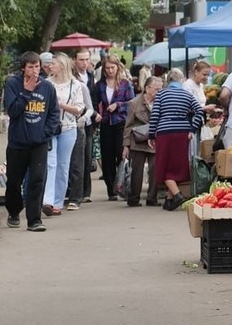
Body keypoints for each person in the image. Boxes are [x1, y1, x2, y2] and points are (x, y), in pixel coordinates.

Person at [3, 52, 61, 232]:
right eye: (30, 67)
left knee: (37, 179)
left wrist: (46, 133)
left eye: (37, 66)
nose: (35, 70)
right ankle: (14, 211)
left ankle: (34, 220)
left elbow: (54, 113)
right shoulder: (12, 84)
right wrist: (27, 91)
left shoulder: (47, 87)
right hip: (18, 142)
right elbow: (13, 111)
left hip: (39, 142)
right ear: (23, 68)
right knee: (14, 181)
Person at [150, 79, 204, 210]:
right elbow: (199, 111)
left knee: (163, 165)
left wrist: (151, 134)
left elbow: (155, 115)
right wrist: (192, 129)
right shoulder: (187, 95)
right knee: (176, 166)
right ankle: (169, 200)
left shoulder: (161, 94)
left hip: (165, 133)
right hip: (182, 133)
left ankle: (178, 195)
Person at [42, 53, 86, 217]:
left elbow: (79, 109)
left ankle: (58, 202)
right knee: (50, 163)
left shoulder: (75, 85)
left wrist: (61, 105)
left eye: (53, 63)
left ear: (62, 65)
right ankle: (48, 200)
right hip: (50, 128)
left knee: (63, 165)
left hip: (68, 128)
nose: (49, 66)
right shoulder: (46, 84)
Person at [94, 54, 135, 201]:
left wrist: (118, 105)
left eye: (112, 67)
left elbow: (132, 103)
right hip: (106, 123)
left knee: (121, 154)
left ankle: (123, 185)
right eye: (107, 68)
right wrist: (96, 115)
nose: (110, 70)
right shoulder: (100, 85)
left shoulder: (125, 84)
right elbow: (95, 102)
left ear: (118, 67)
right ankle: (111, 189)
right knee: (107, 157)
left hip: (121, 123)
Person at [123, 76, 162, 207]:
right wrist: (126, 145)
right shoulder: (134, 103)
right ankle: (133, 198)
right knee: (137, 171)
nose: (159, 91)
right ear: (147, 88)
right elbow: (128, 125)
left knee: (155, 169)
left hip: (155, 140)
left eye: (160, 89)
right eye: (157, 89)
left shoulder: (160, 102)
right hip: (138, 141)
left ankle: (152, 198)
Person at [67, 48, 96, 209]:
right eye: (81, 60)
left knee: (85, 158)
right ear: (74, 60)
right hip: (71, 123)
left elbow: (91, 101)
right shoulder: (71, 77)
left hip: (86, 122)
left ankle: (84, 192)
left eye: (87, 59)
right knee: (72, 160)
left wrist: (92, 115)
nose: (85, 63)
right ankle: (72, 192)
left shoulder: (91, 77)